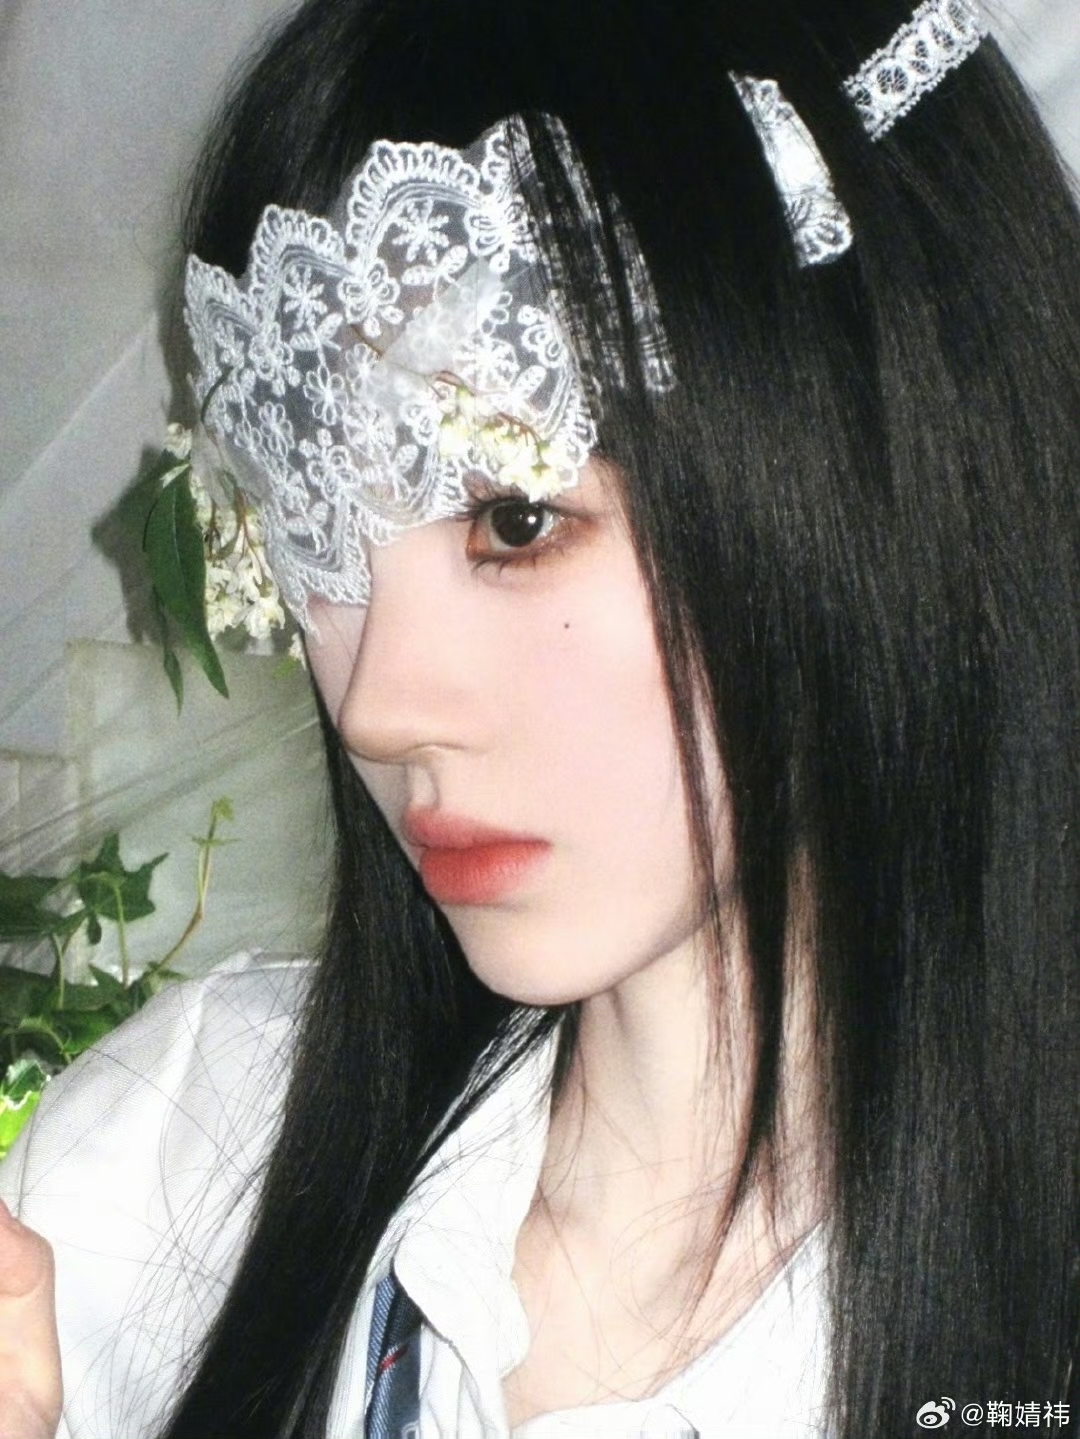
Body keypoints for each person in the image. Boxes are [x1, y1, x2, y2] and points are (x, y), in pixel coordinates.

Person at [3, 0, 1080, 1435]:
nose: (377, 704)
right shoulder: (164, 1177)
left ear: (888, 472)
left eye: (515, 520)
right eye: (308, 530)